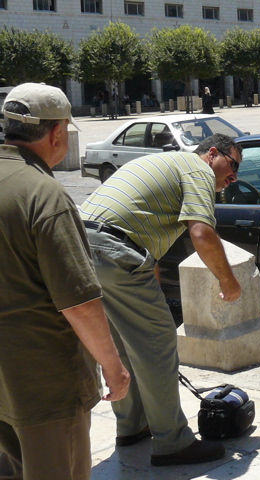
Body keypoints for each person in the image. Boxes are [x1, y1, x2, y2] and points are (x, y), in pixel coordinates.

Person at [79, 133, 243, 466]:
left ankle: (132, 425)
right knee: (157, 341)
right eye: (234, 164)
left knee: (123, 341)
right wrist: (229, 281)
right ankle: (173, 442)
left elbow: (138, 220)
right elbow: (201, 231)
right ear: (212, 153)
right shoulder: (197, 170)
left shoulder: (165, 163)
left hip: (82, 245)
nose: (234, 177)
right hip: (113, 251)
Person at [0, 83, 130, 480]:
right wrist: (113, 366)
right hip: (44, 384)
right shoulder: (44, 195)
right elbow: (78, 301)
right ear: (56, 133)